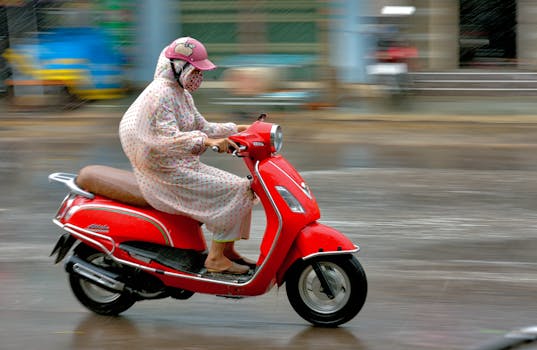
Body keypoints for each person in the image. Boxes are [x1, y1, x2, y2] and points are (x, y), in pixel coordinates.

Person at [119, 37, 256, 275]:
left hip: (182, 166)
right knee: (237, 190)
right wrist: (208, 142)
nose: (198, 77)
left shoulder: (180, 93)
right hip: (163, 173)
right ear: (177, 67)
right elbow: (168, 138)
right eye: (195, 70)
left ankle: (226, 250)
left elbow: (202, 126)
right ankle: (215, 259)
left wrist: (237, 129)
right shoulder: (160, 95)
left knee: (246, 188)